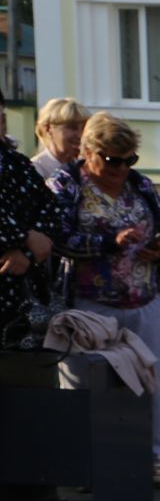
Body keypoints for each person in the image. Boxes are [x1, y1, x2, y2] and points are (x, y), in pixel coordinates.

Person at [48, 113, 160, 487]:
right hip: (88, 304)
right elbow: (58, 239)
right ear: (88, 152)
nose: (121, 167)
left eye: (129, 159)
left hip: (144, 299)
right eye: (112, 159)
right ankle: (86, 467)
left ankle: (147, 461)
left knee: (149, 382)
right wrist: (110, 242)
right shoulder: (67, 184)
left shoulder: (141, 185)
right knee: (85, 385)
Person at [0, 107, 58, 349]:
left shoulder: (17, 164)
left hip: (20, 302)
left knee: (23, 381)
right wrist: (22, 237)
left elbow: (51, 209)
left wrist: (26, 253)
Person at [31, 97, 87, 182]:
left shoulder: (85, 168)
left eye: (84, 128)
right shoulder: (35, 169)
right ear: (48, 129)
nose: (80, 135)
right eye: (72, 127)